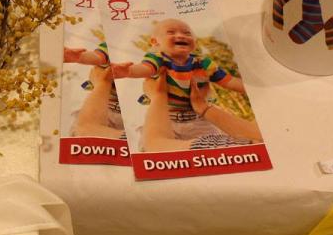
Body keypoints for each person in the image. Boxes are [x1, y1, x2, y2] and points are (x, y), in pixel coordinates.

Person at [112, 18, 247, 140]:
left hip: (199, 119)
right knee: (152, 147)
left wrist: (250, 89)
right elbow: (146, 68)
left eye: (187, 33)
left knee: (213, 145)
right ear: (155, 42)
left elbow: (229, 81)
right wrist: (128, 71)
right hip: (165, 118)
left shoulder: (203, 63)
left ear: (194, 43)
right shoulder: (158, 59)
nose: (181, 35)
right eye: (171, 32)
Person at [141, 71, 262, 152]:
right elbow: (256, 133)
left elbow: (155, 147)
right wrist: (203, 108)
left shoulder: (212, 146)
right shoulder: (260, 137)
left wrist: (158, 97)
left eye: (199, 84)